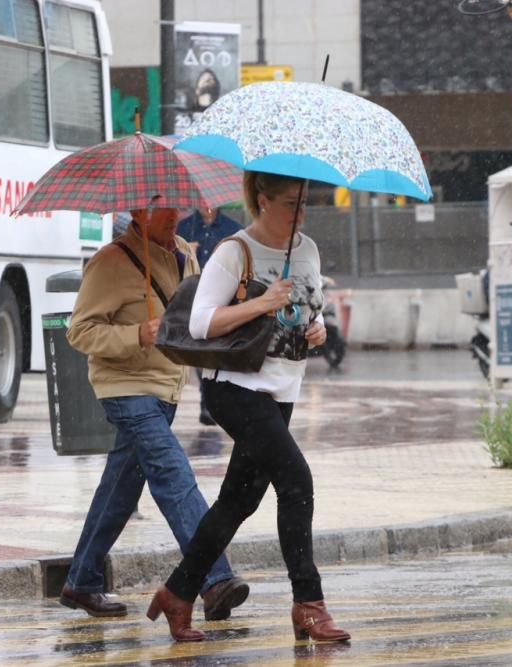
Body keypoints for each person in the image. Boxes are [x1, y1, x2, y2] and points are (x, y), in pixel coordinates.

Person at [145, 173, 350, 643]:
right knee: (296, 481)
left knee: (239, 500)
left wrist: (315, 330)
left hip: (282, 388)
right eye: (289, 204)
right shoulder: (234, 252)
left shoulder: (308, 250)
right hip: (234, 387)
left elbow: (306, 314)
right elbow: (199, 325)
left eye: (304, 204)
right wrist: (261, 303)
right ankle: (309, 605)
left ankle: (177, 592)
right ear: (262, 200)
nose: (298, 214)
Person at [60, 207, 249, 622]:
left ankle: (81, 580)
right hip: (124, 389)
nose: (173, 215)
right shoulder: (110, 261)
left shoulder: (185, 253)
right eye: (161, 206)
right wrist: (136, 334)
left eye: (175, 205)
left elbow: (197, 314)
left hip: (165, 388)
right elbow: (79, 330)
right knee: (173, 474)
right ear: (138, 211)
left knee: (120, 490)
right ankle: (213, 579)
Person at [176, 207, 243, 424]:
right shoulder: (183, 228)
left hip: (221, 300)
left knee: (215, 349)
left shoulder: (233, 230)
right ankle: (207, 400)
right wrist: (187, 256)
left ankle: (211, 401)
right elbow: (171, 264)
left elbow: (241, 266)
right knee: (198, 348)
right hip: (191, 297)